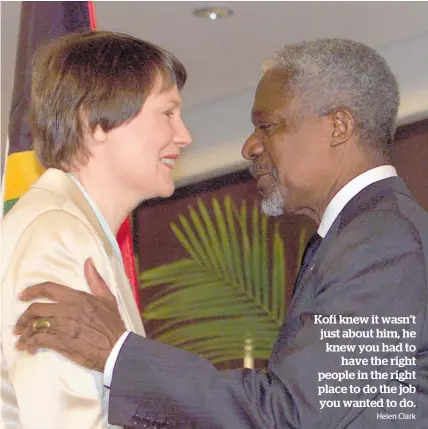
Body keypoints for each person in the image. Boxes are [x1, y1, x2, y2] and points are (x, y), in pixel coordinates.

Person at [13, 38, 428, 429]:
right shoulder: (368, 235)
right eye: (166, 113)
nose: (249, 146)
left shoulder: (384, 242)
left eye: (267, 126)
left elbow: (294, 415)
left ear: (338, 127)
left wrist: (119, 355)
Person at [1, 31, 191, 429]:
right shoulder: (57, 233)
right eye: (167, 113)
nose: (184, 136)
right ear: (96, 122)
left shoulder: (77, 229)